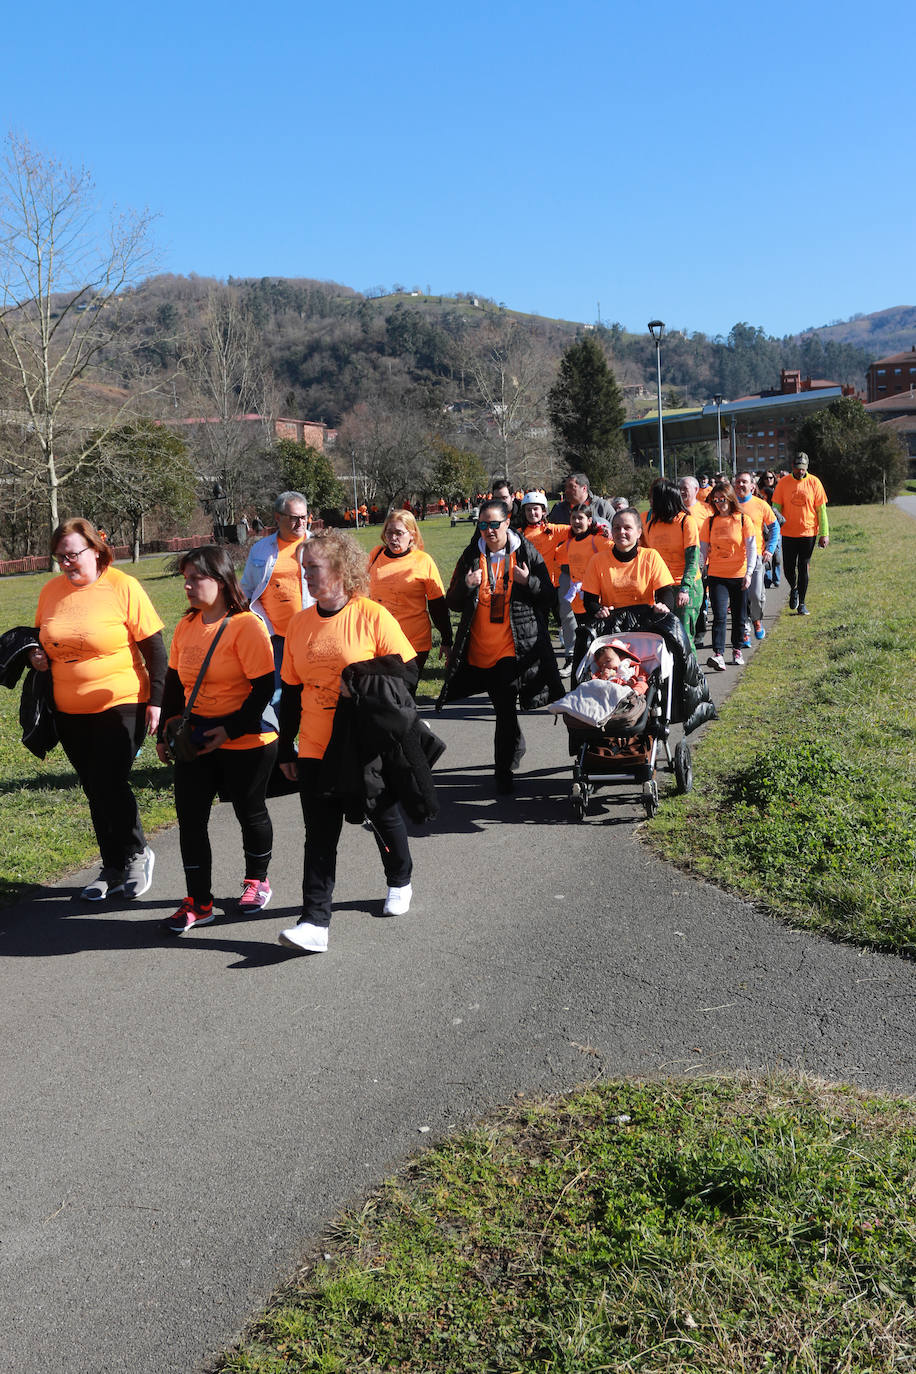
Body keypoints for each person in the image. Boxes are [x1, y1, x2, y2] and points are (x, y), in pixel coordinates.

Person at [276, 530, 419, 954]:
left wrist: (355, 681)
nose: (306, 577)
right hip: (316, 747)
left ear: (342, 570)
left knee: (382, 814)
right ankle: (315, 922)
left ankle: (399, 878)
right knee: (319, 834)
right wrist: (287, 747)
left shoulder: (372, 615)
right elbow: (289, 690)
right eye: (304, 569)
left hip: (363, 745)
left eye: (314, 568)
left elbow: (407, 674)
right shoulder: (298, 623)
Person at [30, 518, 164, 902]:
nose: (67, 564)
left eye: (73, 555)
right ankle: (112, 865)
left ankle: (138, 852)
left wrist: (157, 700)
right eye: (60, 557)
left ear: (95, 549)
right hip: (69, 708)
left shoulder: (123, 586)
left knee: (108, 779)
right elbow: (43, 641)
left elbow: (155, 649)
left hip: (121, 700)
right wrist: (38, 656)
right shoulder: (51, 591)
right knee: (93, 786)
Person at [157, 546, 278, 933]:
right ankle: (199, 901)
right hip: (196, 737)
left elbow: (263, 689)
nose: (188, 586)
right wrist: (166, 732)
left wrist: (229, 729)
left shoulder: (247, 625)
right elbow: (174, 685)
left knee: (249, 810)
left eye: (197, 578)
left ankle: (257, 880)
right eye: (186, 579)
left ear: (222, 581)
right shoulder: (187, 626)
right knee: (191, 819)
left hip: (246, 737)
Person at [438, 499, 561, 794]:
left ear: (507, 523)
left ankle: (502, 771)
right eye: (483, 525)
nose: (489, 531)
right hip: (480, 649)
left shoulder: (525, 553)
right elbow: (452, 602)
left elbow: (548, 597)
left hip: (512, 646)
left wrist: (527, 580)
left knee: (505, 709)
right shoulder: (471, 555)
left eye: (494, 524)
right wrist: (467, 585)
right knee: (503, 709)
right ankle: (514, 749)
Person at [368, 509, 452, 687]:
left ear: (412, 535)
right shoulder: (375, 555)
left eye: (399, 533)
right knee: (383, 694)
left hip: (414, 642)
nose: (393, 538)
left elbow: (437, 604)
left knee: (403, 692)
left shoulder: (423, 561)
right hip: (379, 640)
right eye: (389, 533)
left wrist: (446, 640)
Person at [240, 491, 314, 688]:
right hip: (276, 637)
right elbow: (247, 588)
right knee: (277, 694)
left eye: (304, 517)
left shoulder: (319, 547)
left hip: (313, 634)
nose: (300, 523)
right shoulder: (261, 549)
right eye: (294, 518)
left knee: (313, 687)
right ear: (278, 517)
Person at [581, 507, 677, 625]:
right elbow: (589, 600)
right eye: (617, 528)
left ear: (639, 532)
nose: (621, 532)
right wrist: (598, 610)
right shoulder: (597, 560)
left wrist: (663, 606)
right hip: (612, 625)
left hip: (645, 624)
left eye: (627, 528)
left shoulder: (651, 556)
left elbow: (666, 592)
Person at [698, 482, 757, 670]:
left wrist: (749, 574)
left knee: (740, 616)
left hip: (739, 575)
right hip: (716, 575)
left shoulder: (742, 520)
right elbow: (703, 550)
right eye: (715, 500)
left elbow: (751, 548)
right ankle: (718, 654)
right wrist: (700, 571)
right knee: (720, 616)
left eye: (722, 499)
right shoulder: (710, 522)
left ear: (730, 498)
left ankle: (737, 650)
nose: (719, 503)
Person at [641, 478, 703, 647]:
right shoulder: (650, 524)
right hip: (662, 588)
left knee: (683, 636)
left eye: (655, 498)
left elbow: (692, 559)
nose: (650, 501)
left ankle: (691, 673)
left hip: (686, 588)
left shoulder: (686, 521)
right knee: (663, 636)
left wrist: (685, 588)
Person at [554, 502, 612, 666]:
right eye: (573, 518)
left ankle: (602, 667)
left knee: (598, 638)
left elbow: (615, 548)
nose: (577, 522)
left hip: (595, 598)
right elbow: (556, 555)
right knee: (585, 635)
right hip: (578, 600)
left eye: (581, 518)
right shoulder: (570, 543)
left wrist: (605, 532)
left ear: (589, 520)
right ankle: (586, 667)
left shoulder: (596, 540)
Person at [772, 452, 829, 615]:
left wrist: (824, 533)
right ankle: (794, 588)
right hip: (788, 533)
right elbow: (775, 509)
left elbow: (821, 510)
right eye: (797, 469)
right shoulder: (783, 483)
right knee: (788, 568)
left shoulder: (814, 482)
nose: (800, 472)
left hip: (808, 532)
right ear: (792, 467)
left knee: (803, 566)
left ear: (807, 468)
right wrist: (773, 531)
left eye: (803, 469)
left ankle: (802, 603)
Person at [734, 471, 779, 642]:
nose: (740, 485)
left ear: (752, 486)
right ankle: (745, 628)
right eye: (737, 482)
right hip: (735, 561)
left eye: (744, 482)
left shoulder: (761, 505)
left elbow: (775, 528)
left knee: (757, 596)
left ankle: (757, 620)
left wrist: (770, 549)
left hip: (757, 557)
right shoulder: (730, 506)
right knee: (740, 597)